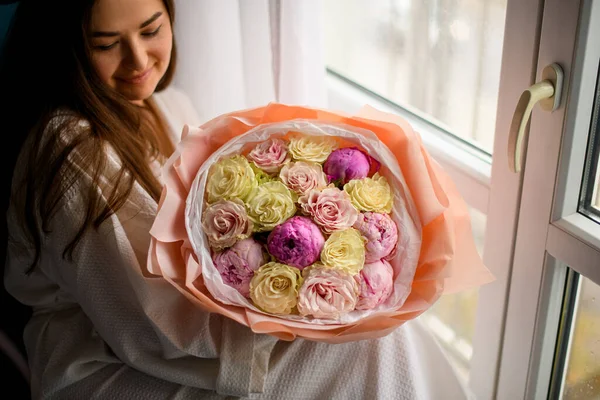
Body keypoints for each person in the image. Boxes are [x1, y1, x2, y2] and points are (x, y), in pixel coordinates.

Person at [1, 0, 471, 399]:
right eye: (105, 44)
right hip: (100, 357)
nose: (138, 59)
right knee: (369, 348)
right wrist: (284, 317)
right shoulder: (67, 150)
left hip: (164, 324)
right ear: (66, 46)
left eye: (152, 30)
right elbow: (143, 323)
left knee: (380, 330)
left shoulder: (170, 105)